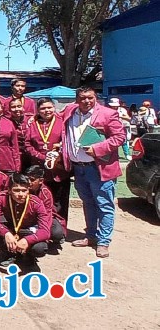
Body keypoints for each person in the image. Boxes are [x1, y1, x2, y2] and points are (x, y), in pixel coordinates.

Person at [62, 87, 125, 258]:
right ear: (77, 99)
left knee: (104, 205)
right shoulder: (69, 111)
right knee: (88, 203)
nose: (87, 101)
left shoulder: (107, 114)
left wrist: (98, 148)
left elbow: (120, 137)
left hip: (99, 168)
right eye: (82, 98)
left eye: (90, 97)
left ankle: (103, 242)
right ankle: (90, 236)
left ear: (95, 97)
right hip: (78, 168)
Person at [0, 173, 51, 269]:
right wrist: (6, 233)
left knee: (40, 248)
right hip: (10, 230)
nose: (20, 194)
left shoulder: (36, 203)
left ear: (29, 190)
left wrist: (27, 240)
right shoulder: (1, 197)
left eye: (24, 190)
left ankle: (29, 256)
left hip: (28, 232)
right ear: (9, 190)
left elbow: (45, 231)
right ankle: (10, 253)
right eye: (16, 190)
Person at [23, 97, 70, 220]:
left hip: (59, 168)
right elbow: (27, 144)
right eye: (43, 108)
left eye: (49, 107)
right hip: (39, 168)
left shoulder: (62, 122)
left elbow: (69, 141)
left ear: (54, 108)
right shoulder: (32, 124)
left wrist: (59, 147)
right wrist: (42, 157)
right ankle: (40, 226)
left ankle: (59, 229)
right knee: (39, 198)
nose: (47, 111)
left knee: (60, 200)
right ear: (37, 110)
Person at [23, 165, 66, 246]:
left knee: (57, 233)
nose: (28, 182)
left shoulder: (45, 193)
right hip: (26, 217)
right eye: (26, 179)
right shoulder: (23, 189)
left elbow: (47, 214)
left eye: (32, 179)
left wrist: (44, 232)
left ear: (41, 181)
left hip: (42, 218)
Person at [8, 97, 34, 169]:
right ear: (9, 109)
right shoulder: (7, 122)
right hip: (16, 154)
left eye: (19, 106)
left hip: (32, 154)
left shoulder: (31, 119)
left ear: (23, 108)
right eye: (13, 107)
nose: (16, 109)